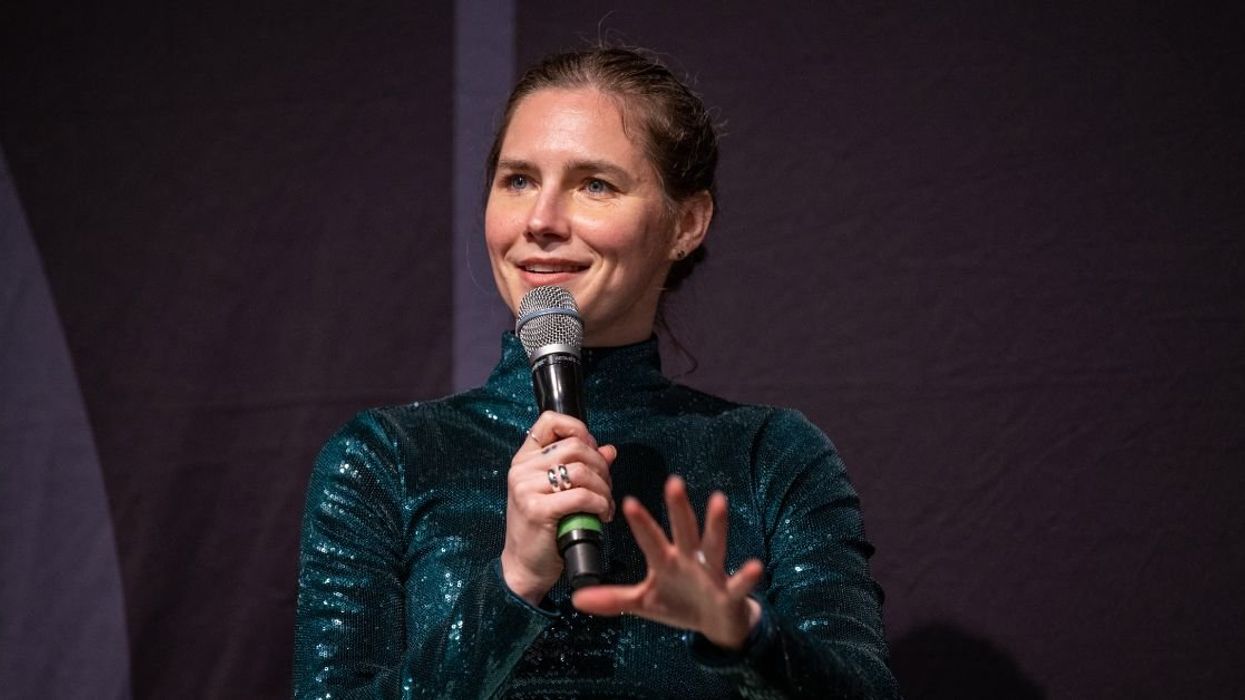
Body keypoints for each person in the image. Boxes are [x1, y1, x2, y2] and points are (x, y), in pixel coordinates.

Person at [294, 46, 898, 699]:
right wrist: (510, 585)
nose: (541, 221)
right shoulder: (385, 458)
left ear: (686, 223)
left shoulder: (771, 455)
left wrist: (747, 637)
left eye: (595, 185)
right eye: (518, 180)